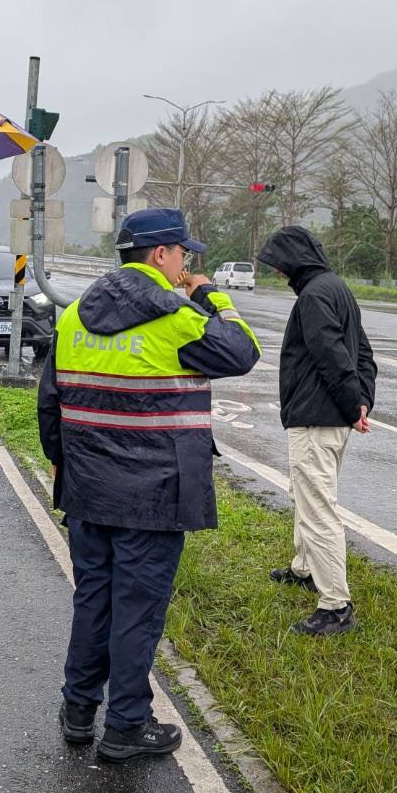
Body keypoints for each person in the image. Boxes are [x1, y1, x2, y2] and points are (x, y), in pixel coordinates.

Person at [38, 208, 261, 761]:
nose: (188, 262)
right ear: (160, 256)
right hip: (155, 493)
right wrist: (212, 295)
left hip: (89, 490)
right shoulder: (177, 317)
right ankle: (126, 726)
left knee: (94, 599)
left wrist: (66, 468)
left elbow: (50, 404)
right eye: (185, 252)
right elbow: (242, 351)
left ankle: (78, 708)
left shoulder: (72, 317)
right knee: (137, 609)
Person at [256, 226, 376, 637]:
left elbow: (332, 356)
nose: (278, 274)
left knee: (317, 509)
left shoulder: (312, 296)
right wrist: (361, 403)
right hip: (333, 417)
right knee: (306, 494)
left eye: (278, 266)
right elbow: (362, 353)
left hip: (316, 418)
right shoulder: (336, 288)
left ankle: (336, 606)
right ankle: (305, 568)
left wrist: (351, 404)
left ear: (294, 261)